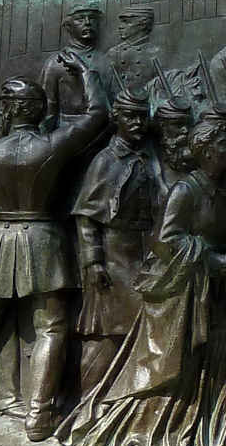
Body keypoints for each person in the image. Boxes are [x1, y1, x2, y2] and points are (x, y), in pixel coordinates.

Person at [60, 107, 226, 446]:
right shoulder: (185, 191)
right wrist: (212, 260)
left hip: (212, 290)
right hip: (179, 293)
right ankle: (143, 432)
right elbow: (167, 241)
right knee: (169, 367)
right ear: (208, 151)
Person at [0, 54, 111, 440]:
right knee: (50, 328)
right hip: (44, 241)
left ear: (8, 111)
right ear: (38, 110)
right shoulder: (52, 146)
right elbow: (99, 115)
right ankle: (38, 417)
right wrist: (86, 73)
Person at [70, 88, 166, 395]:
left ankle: (127, 400)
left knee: (141, 330)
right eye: (130, 116)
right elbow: (86, 217)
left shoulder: (151, 158)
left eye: (142, 116)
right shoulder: (105, 161)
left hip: (145, 254)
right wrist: (93, 261)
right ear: (116, 119)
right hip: (114, 257)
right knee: (107, 333)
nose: (137, 122)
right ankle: (91, 402)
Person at [39, 2, 117, 128]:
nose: (87, 22)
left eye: (92, 18)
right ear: (68, 26)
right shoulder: (55, 62)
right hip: (67, 132)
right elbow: (47, 109)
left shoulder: (108, 61)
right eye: (80, 19)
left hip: (103, 130)